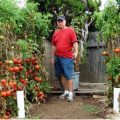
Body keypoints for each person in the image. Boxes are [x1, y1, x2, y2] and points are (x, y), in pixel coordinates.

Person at [51, 15, 78, 102]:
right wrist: (52, 56)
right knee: (61, 74)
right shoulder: (56, 32)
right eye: (58, 21)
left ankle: (70, 94)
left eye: (61, 21)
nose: (60, 22)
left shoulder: (70, 30)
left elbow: (75, 42)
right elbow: (54, 45)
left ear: (65, 21)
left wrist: (76, 51)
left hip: (67, 57)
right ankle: (66, 91)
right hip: (58, 57)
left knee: (68, 75)